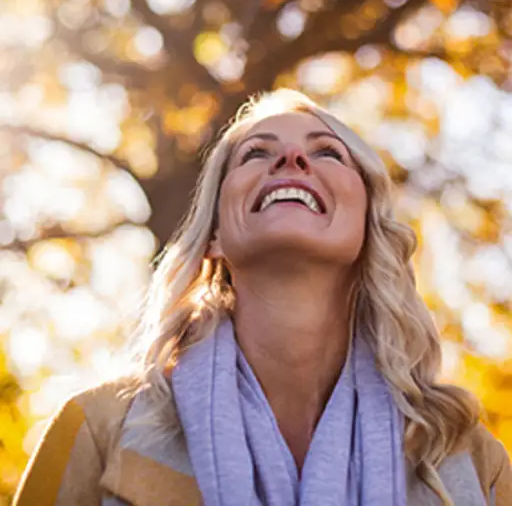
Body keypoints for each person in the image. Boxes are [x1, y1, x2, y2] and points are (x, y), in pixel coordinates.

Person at [13, 89, 511, 506]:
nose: (291, 160)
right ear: (213, 235)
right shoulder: (97, 431)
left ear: (368, 226)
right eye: (256, 153)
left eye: (327, 152)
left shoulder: (470, 460)